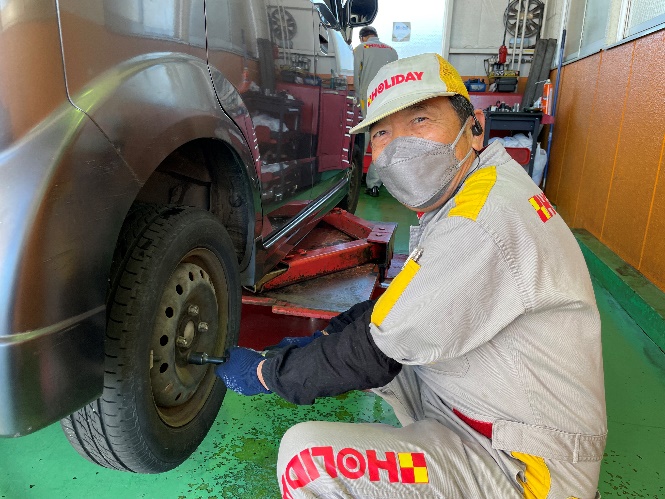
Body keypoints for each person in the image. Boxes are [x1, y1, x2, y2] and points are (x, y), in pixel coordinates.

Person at [216, 53, 607, 498]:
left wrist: (269, 373)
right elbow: (402, 307)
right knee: (378, 347)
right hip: (494, 412)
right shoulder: (479, 187)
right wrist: (315, 344)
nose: (399, 147)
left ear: (474, 128)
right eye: (383, 132)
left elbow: (374, 351)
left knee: (307, 459)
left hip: (525, 467)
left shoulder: (481, 221)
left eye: (420, 119)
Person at [353, 26, 398, 197]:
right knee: (382, 142)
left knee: (362, 142)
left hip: (367, 102)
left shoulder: (361, 49)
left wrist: (357, 99)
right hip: (386, 102)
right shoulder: (392, 51)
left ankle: (354, 181)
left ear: (363, 37)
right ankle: (373, 185)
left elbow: (357, 76)